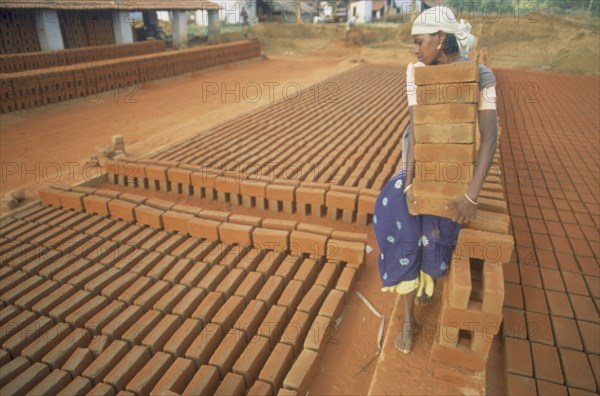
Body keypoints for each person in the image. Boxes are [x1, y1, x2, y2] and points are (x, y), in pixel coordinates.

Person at [372, 5, 497, 354]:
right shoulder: (415, 72)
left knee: (437, 234)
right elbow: (415, 132)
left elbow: (488, 138)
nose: (415, 49)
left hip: (454, 172)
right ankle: (409, 318)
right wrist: (410, 184)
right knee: (396, 218)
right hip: (419, 166)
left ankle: (426, 280)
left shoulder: (481, 76)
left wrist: (470, 197)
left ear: (440, 39)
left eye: (419, 41)